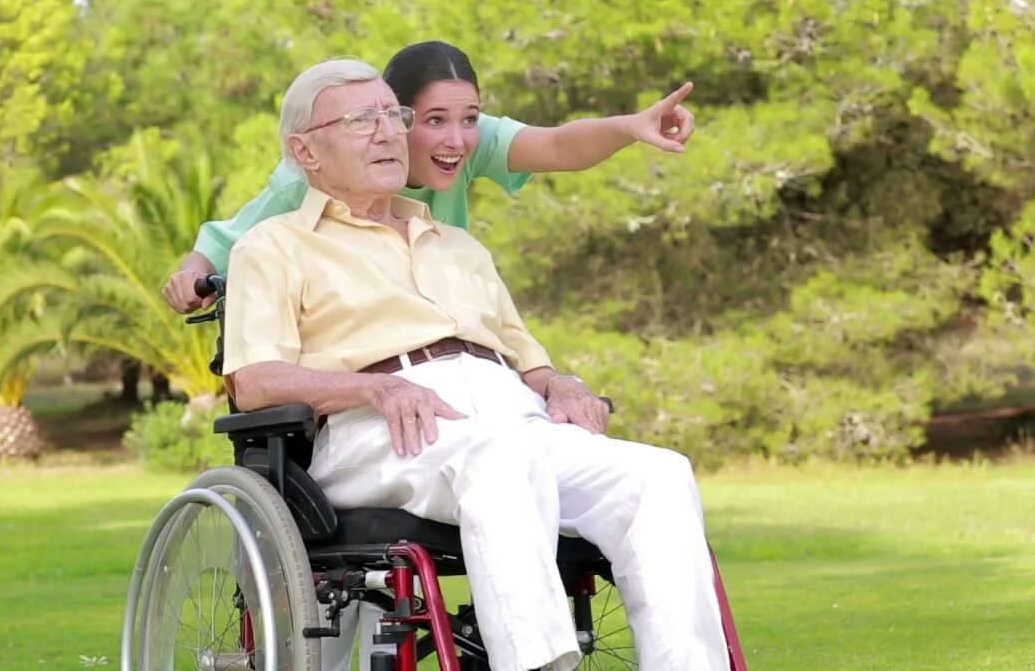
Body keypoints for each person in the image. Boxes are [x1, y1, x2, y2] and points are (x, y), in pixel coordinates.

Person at [222, 58, 728, 671]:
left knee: (658, 474)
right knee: (502, 458)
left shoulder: (458, 245)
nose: (388, 132)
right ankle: (538, 665)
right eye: (361, 120)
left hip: (508, 416)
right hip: (383, 429)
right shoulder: (274, 245)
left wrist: (563, 385)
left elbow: (529, 363)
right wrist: (374, 389)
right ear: (306, 150)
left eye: (393, 114)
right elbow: (253, 380)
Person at [162, 40, 695, 313]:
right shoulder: (314, 172)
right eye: (435, 121)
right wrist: (190, 275)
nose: (457, 141)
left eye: (469, 119)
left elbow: (558, 144)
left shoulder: (466, 141)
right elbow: (223, 241)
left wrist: (633, 125)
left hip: (440, 313)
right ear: (398, 115)